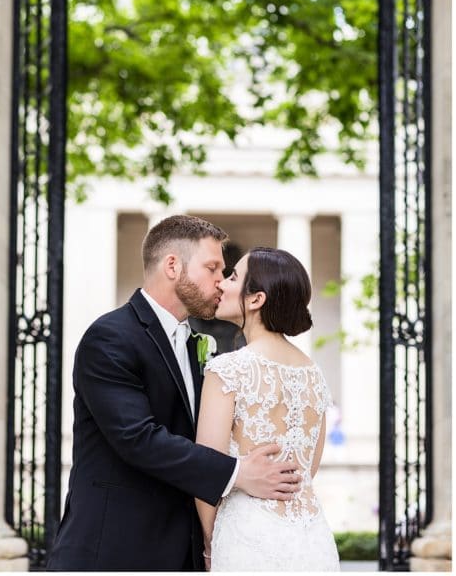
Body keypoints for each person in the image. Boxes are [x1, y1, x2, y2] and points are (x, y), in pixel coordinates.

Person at [46, 216, 302, 571]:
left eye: (225, 271)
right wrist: (237, 472)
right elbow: (138, 437)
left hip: (183, 552)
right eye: (212, 267)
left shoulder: (198, 344)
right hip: (115, 550)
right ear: (172, 266)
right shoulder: (110, 337)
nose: (221, 281)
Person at [196, 248, 340, 571]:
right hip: (312, 539)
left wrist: (210, 544)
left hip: (247, 536)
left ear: (256, 299)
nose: (222, 283)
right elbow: (307, 470)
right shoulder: (314, 375)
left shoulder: (228, 370)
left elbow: (206, 472)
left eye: (233, 277)